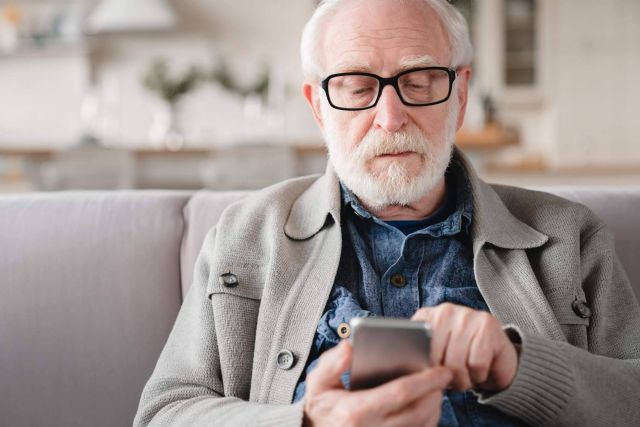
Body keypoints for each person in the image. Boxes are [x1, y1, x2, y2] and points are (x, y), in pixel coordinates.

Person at [134, 0, 640, 425]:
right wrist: (307, 420)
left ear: (460, 95)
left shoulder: (570, 236)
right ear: (319, 108)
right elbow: (164, 413)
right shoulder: (244, 236)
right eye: (357, 88)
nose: (391, 117)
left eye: (419, 82)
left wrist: (519, 364)